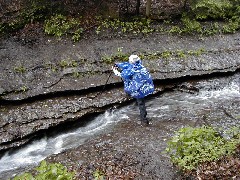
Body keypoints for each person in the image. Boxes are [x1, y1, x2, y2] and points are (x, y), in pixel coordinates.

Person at [112, 54, 154, 125]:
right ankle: (142, 115)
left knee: (141, 103)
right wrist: (118, 65)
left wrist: (115, 71)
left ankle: (144, 120)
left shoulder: (132, 70)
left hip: (139, 89)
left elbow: (124, 75)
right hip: (145, 85)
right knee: (141, 101)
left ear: (132, 61)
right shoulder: (139, 64)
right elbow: (127, 65)